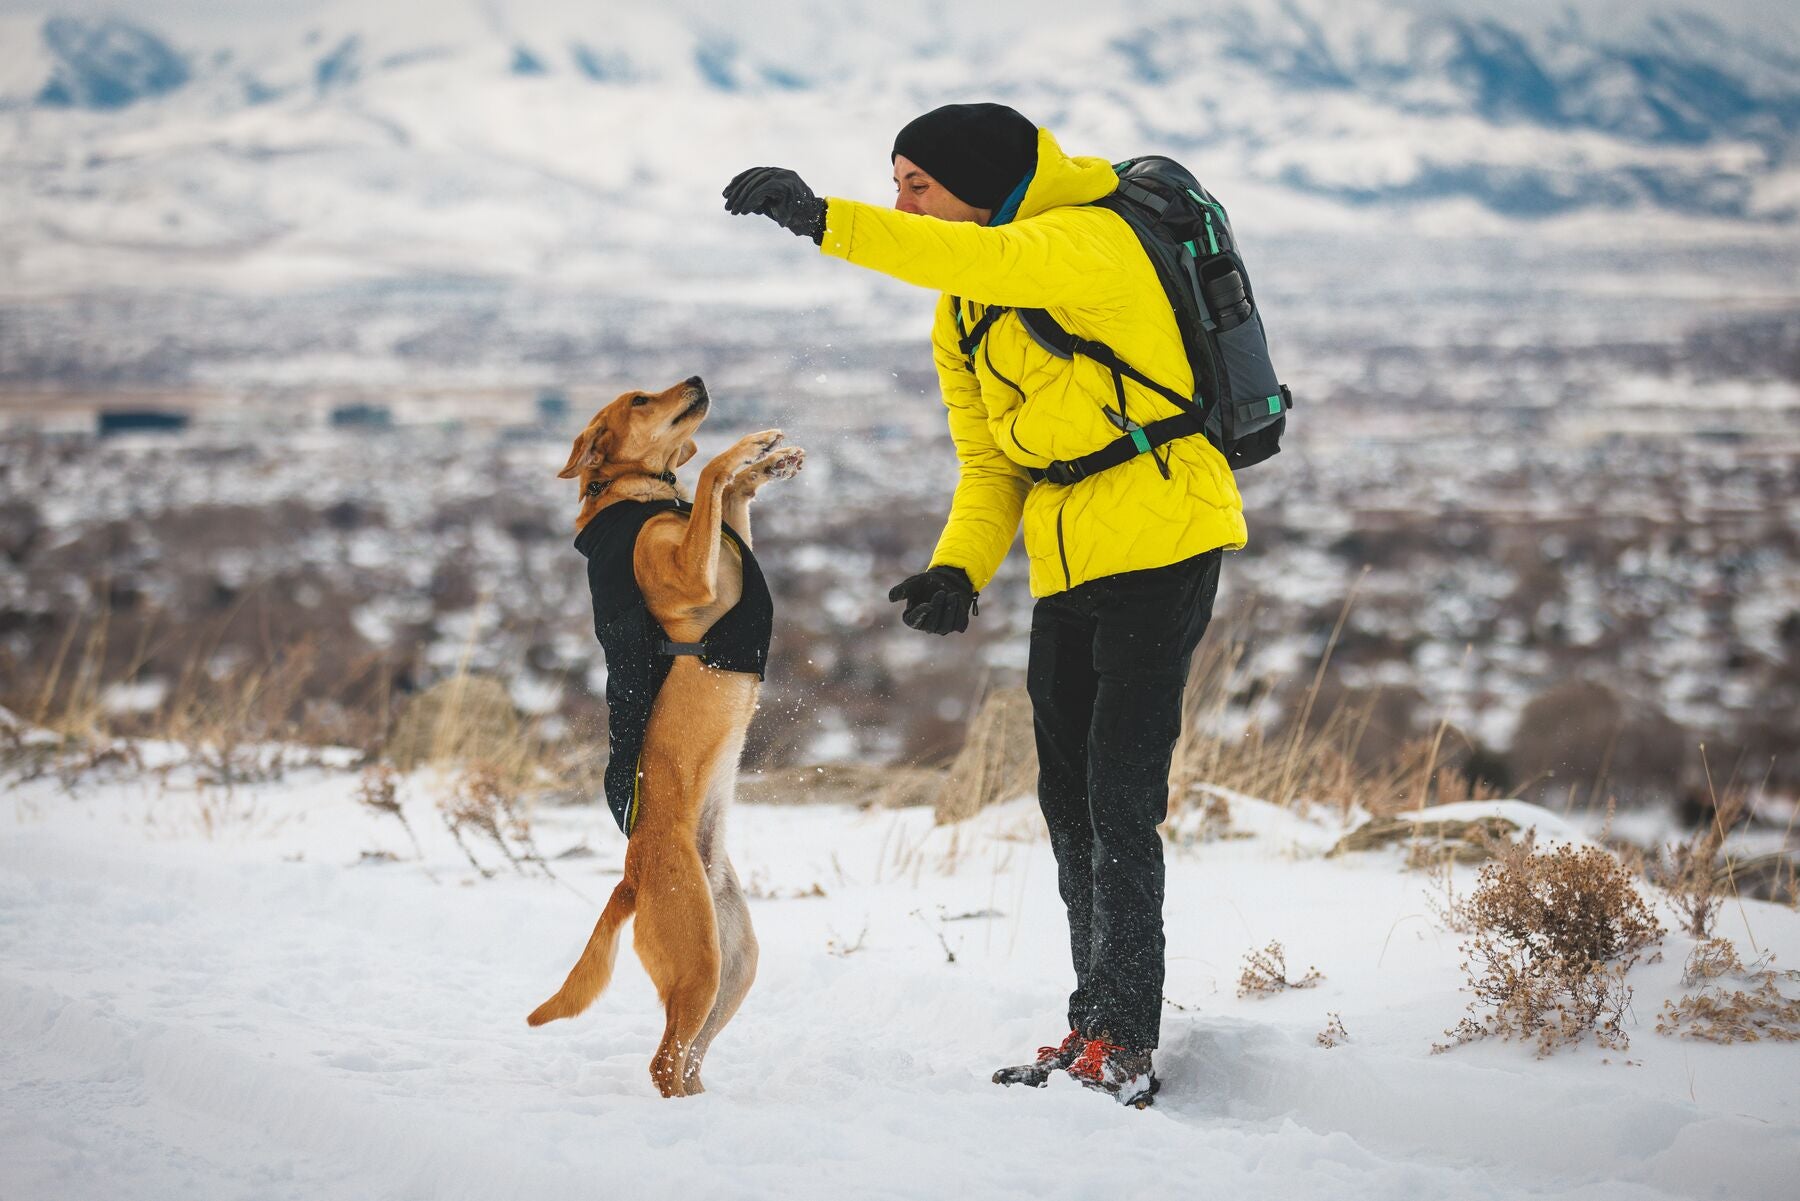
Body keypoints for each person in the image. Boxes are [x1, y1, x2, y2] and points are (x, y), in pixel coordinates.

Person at [723, 102, 1246, 1106]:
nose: (902, 199)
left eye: (917, 183)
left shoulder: (1077, 241)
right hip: (1069, 554)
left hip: (1165, 529)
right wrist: (958, 567)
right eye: (895, 182)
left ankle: (1125, 1042)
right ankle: (1089, 1024)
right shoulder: (964, 305)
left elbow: (956, 257)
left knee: (1120, 799)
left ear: (975, 183)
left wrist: (821, 218)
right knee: (1067, 800)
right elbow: (990, 458)